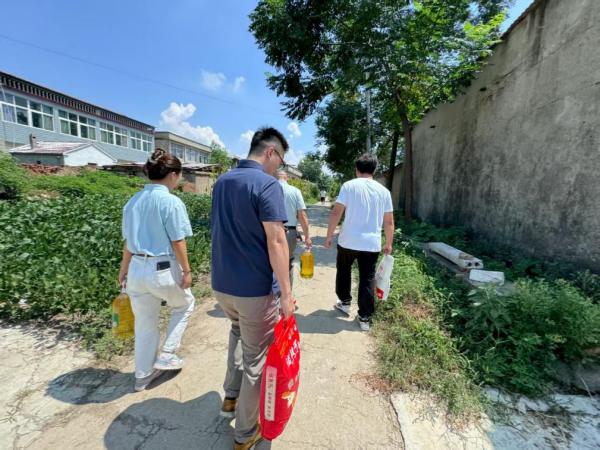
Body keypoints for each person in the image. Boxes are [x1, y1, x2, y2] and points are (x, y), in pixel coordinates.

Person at [211, 126, 294, 450]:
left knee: (237, 333)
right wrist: (286, 295)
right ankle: (245, 434)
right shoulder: (267, 184)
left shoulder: (222, 181)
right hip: (254, 291)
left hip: (223, 286)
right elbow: (277, 241)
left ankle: (230, 398)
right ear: (271, 152)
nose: (279, 167)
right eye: (280, 161)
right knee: (256, 360)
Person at [118, 148, 195, 392]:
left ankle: (142, 377)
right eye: (180, 175)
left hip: (136, 269)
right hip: (161, 268)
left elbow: (128, 241)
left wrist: (123, 270)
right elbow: (178, 240)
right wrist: (187, 271)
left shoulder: (133, 201)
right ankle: (168, 353)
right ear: (173, 175)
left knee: (145, 325)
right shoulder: (171, 202)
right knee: (184, 305)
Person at [324, 153, 394, 332]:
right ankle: (365, 318)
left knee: (344, 270)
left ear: (357, 170)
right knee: (367, 278)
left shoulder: (349, 186)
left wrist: (329, 235)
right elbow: (389, 222)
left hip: (348, 241)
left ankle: (345, 302)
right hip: (371, 244)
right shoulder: (384, 192)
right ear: (374, 170)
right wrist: (389, 243)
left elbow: (336, 213)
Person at [274, 169, 312, 289]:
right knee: (288, 263)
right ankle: (287, 294)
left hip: (270, 232)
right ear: (287, 178)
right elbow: (302, 215)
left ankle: (270, 295)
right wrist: (307, 237)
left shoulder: (267, 189)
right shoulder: (295, 191)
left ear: (275, 177)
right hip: (289, 232)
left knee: (270, 263)